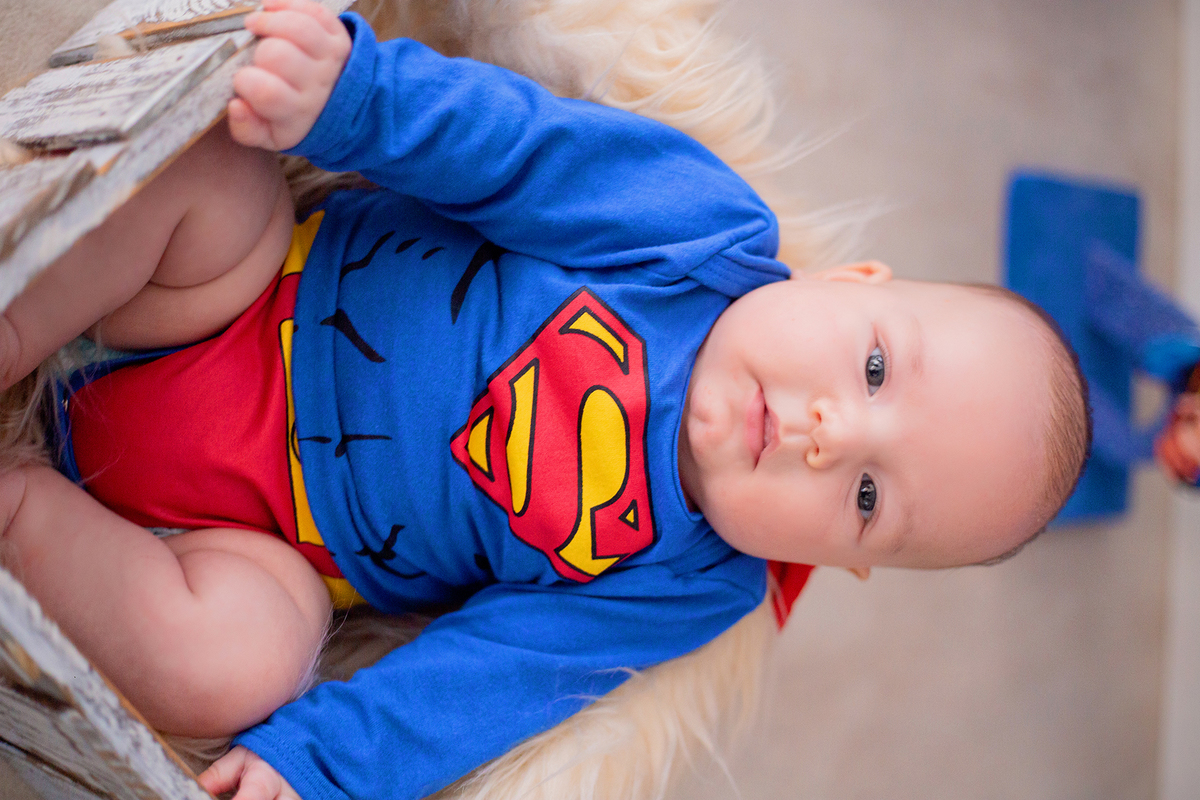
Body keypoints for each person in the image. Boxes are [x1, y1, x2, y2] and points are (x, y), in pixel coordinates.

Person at [0, 1, 1091, 798]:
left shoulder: (693, 581)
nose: (828, 431)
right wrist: (358, 97)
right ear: (852, 283)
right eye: (872, 371)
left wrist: (319, 764)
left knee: (238, 666)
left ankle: (19, 518)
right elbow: (515, 151)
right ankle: (15, 322)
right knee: (215, 176)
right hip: (241, 294)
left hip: (266, 539)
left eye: (866, 493)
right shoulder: (701, 231)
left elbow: (493, 674)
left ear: (849, 560)